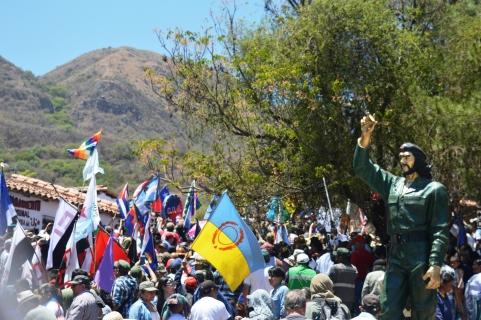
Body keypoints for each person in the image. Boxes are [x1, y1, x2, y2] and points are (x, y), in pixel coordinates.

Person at [353, 114, 449, 319]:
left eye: (407, 157)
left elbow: (440, 229)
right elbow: (363, 169)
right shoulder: (393, 184)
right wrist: (365, 136)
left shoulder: (434, 190)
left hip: (421, 255)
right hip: (396, 254)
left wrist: (436, 263)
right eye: (401, 157)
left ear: (418, 160)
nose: (402, 161)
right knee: (388, 307)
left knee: (423, 311)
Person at [328, 247, 357, 313]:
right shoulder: (354, 269)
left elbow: (329, 284)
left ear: (340, 257)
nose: (336, 257)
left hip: (337, 299)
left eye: (337, 256)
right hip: (350, 300)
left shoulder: (335, 268)